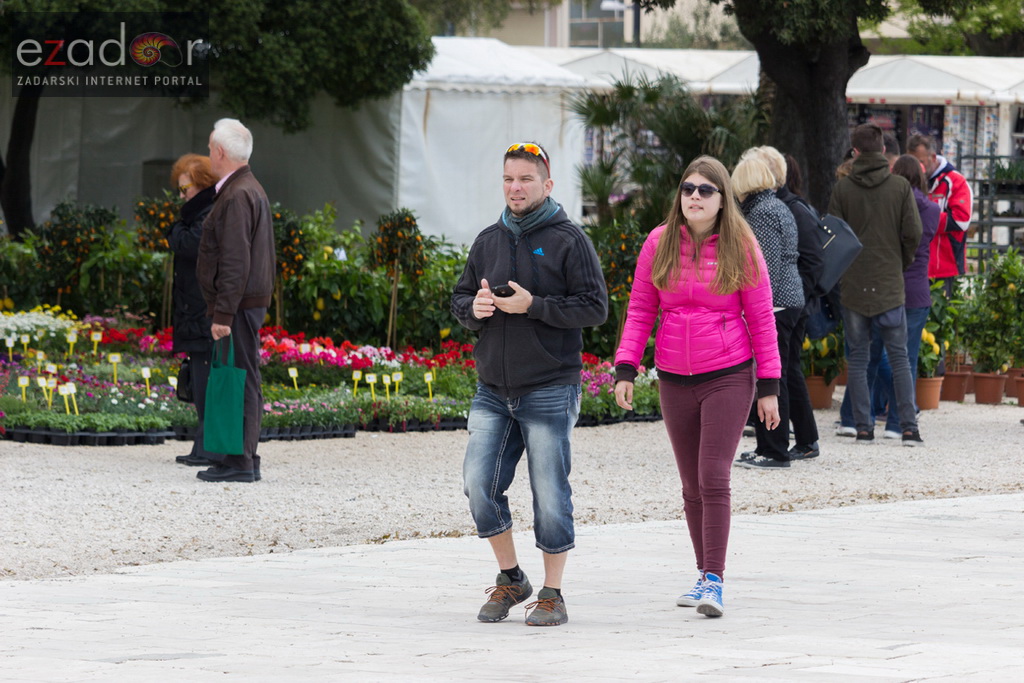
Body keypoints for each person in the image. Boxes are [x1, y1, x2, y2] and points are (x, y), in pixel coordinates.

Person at [613, 155, 781, 617]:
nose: (694, 197)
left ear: (723, 198)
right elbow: (641, 308)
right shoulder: (659, 242)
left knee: (713, 476)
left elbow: (762, 318)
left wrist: (769, 384)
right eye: (688, 189)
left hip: (728, 372)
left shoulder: (742, 246)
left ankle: (714, 580)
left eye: (705, 190)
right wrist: (626, 366)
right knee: (690, 484)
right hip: (673, 375)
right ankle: (702, 571)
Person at [451, 141, 608, 627]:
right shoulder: (487, 241)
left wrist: (533, 305)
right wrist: (472, 312)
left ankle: (553, 593)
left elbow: (595, 308)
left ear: (547, 184)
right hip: (492, 390)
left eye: (525, 179)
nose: (515, 188)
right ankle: (511, 578)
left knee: (550, 492)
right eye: (508, 179)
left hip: (549, 387)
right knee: (479, 484)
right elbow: (460, 297)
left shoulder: (569, 239)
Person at [828, 123, 923, 446]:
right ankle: (908, 427)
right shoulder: (899, 187)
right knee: (899, 358)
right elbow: (913, 233)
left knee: (858, 358)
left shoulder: (842, 189)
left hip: (854, 284)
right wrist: (901, 261)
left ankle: (863, 426)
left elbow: (833, 236)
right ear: (883, 150)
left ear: (855, 152)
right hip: (889, 283)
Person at [196, 118, 276, 483]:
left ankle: (240, 460)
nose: (209, 153)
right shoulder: (244, 188)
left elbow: (234, 259)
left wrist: (223, 312)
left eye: (211, 147)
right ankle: (239, 456)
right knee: (240, 376)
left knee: (238, 378)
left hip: (239, 305)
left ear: (220, 152)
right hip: (244, 302)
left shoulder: (238, 193)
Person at [731, 155, 803, 469]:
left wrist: (754, 306)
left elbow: (765, 268)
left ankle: (773, 449)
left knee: (772, 378)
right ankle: (770, 445)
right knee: (780, 375)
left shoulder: (760, 213)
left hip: (776, 303)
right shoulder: (778, 205)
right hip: (791, 298)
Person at [167, 154, 223, 469]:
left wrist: (178, 225)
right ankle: (203, 443)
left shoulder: (206, 215)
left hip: (201, 308)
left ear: (200, 186)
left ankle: (206, 445)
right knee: (201, 373)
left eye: (184, 189)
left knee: (204, 375)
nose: (181, 195)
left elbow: (187, 244)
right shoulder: (201, 213)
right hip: (195, 306)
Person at [906, 134, 973, 280]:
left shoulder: (955, 181)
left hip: (943, 267)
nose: (918, 168)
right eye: (913, 163)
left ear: (933, 158)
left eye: (920, 162)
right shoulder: (908, 180)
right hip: (913, 266)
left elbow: (961, 220)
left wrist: (924, 218)